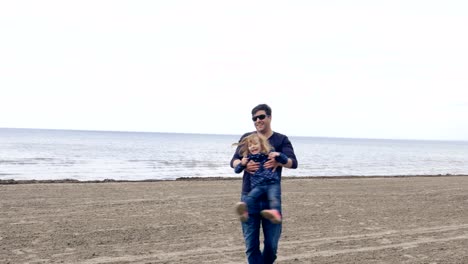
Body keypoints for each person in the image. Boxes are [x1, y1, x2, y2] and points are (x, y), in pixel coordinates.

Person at [231, 103, 298, 264]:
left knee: (271, 246)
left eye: (261, 117)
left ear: (269, 117)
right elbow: (233, 161)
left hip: (270, 199)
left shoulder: (281, 139)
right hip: (249, 197)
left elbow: (293, 162)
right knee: (251, 245)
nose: (258, 120)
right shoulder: (248, 138)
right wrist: (243, 164)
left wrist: (279, 161)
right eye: (254, 118)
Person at [233, 133, 289, 224]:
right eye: (250, 145)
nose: (253, 147)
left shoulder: (269, 154)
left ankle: (275, 213)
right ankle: (244, 211)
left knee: (273, 197)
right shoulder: (248, 158)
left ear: (262, 145)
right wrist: (242, 164)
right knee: (250, 197)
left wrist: (278, 155)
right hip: (258, 185)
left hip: (272, 183)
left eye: (255, 144)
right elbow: (237, 170)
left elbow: (285, 160)